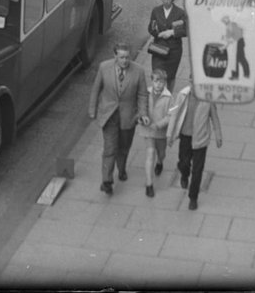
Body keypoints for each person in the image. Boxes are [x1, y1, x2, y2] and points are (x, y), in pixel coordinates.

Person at [87, 41, 149, 195]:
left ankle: (121, 169)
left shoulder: (139, 71)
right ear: (115, 56)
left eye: (127, 57)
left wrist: (143, 113)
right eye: (121, 57)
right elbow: (96, 89)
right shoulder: (104, 67)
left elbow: (142, 94)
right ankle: (106, 181)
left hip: (128, 116)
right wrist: (92, 109)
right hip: (109, 115)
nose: (125, 61)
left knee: (123, 148)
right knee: (110, 149)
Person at [168, 73, 223, 211]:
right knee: (184, 163)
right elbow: (174, 115)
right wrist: (170, 134)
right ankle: (184, 174)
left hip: (201, 139)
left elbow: (214, 117)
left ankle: (193, 197)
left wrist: (218, 134)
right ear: (190, 82)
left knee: (198, 170)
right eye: (192, 83)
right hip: (185, 136)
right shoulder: (183, 95)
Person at [138, 68, 173, 198]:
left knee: (161, 152)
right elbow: (140, 108)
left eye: (161, 82)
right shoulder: (145, 93)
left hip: (160, 131)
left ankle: (160, 162)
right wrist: (141, 118)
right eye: (156, 81)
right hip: (147, 129)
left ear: (165, 83)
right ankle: (149, 184)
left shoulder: (169, 97)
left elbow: (171, 116)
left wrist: (158, 125)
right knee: (150, 152)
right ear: (152, 81)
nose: (158, 84)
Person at [147, 0, 188, 90]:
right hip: (158, 48)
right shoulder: (156, 11)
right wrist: (157, 34)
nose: (166, 1)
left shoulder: (180, 13)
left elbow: (186, 30)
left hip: (174, 51)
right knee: (157, 74)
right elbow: (151, 28)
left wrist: (172, 32)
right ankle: (157, 95)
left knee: (170, 77)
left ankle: (168, 96)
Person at [221, 15, 250, 80]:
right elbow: (229, 39)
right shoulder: (229, 26)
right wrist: (225, 45)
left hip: (238, 43)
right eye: (223, 21)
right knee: (238, 59)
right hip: (237, 43)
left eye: (224, 20)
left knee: (238, 59)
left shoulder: (232, 25)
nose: (224, 22)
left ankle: (240, 75)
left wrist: (225, 42)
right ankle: (240, 75)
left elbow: (235, 37)